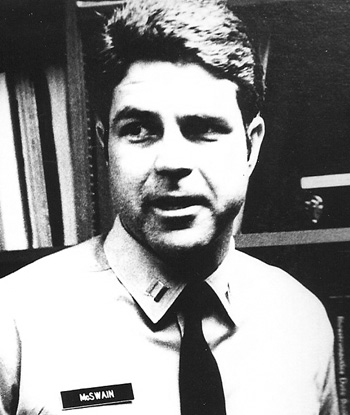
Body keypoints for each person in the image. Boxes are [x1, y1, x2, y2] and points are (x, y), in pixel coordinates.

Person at [0, 0, 339, 414]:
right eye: (139, 129)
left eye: (204, 129)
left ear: (252, 147)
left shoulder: (303, 321)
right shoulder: (14, 325)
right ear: (106, 145)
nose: (171, 162)